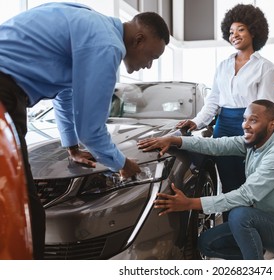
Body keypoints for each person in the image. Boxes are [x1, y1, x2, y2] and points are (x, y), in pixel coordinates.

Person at [0, 2, 170, 259]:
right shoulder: (107, 45)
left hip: (9, 88)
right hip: (5, 90)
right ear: (139, 39)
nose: (148, 65)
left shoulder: (92, 24)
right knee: (25, 209)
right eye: (152, 57)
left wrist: (71, 148)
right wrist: (121, 163)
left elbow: (66, 95)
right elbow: (91, 130)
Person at [138, 99, 274, 260]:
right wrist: (174, 139)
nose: (245, 125)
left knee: (240, 214)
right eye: (245, 119)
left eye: (253, 120)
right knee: (207, 243)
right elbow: (216, 145)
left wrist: (189, 203)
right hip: (266, 222)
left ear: (271, 125)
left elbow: (246, 195)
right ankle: (258, 252)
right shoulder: (252, 143)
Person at [176, 4, 274, 220]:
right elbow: (213, 100)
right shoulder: (222, 66)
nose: (235, 35)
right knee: (228, 180)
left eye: (240, 29)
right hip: (223, 125)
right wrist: (197, 122)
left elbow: (264, 106)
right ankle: (232, 229)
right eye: (231, 32)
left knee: (249, 181)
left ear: (253, 30)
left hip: (249, 127)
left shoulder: (265, 68)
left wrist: (256, 134)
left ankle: (251, 229)